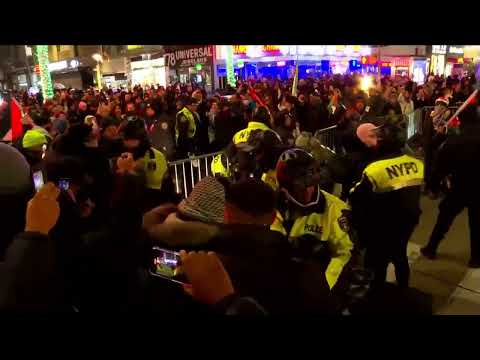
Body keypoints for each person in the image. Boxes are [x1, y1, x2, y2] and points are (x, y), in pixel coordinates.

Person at [349, 123, 424, 288]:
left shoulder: (374, 169)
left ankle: (377, 294)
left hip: (383, 225)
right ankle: (403, 289)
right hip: (408, 220)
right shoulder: (416, 163)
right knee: (400, 256)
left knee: (377, 262)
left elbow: (355, 196)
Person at [271, 148, 354, 290]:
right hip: (283, 280)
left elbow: (343, 253)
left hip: (320, 280)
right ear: (287, 185)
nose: (308, 191)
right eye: (302, 185)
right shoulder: (274, 206)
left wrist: (324, 286)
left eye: (312, 184)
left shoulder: (335, 208)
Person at [421, 100, 480, 268]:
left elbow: (440, 166)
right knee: (477, 223)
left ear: (460, 120)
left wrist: (432, 184)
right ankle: (476, 257)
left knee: (444, 219)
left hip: (460, 186)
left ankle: (431, 248)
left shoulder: (455, 141)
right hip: (477, 187)